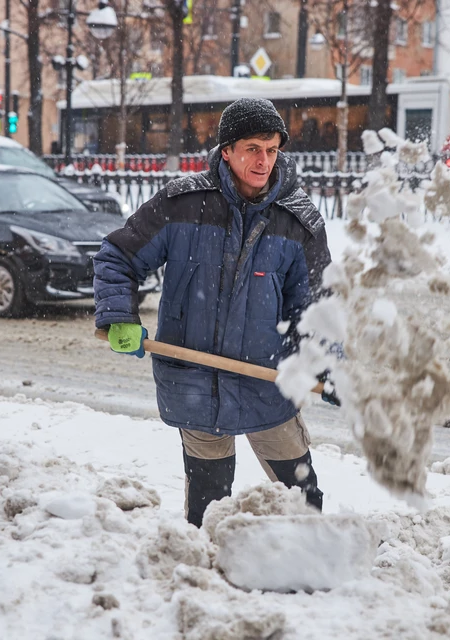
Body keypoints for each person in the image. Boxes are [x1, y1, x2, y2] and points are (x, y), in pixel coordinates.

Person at [93, 98, 332, 528]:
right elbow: (117, 255)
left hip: (269, 388)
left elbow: (316, 307)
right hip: (195, 383)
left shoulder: (298, 223)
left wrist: (327, 364)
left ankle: (313, 565)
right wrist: (119, 316)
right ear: (226, 150)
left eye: (272, 150)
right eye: (253, 148)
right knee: (207, 509)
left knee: (303, 500)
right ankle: (205, 575)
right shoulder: (182, 205)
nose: (264, 160)